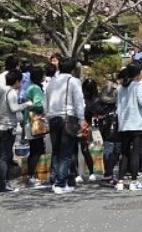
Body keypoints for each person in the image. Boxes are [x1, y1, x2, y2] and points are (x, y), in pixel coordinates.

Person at [44, 58, 86, 194]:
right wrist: (81, 119)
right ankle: (61, 183)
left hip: (53, 118)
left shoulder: (51, 82)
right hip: (68, 118)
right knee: (66, 153)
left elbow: (45, 102)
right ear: (72, 69)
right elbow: (78, 102)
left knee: (56, 151)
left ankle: (54, 179)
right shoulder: (73, 81)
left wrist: (47, 117)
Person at [115, 64, 142, 191]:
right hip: (137, 123)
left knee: (124, 153)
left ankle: (120, 181)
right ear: (137, 73)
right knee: (135, 153)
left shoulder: (120, 88)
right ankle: (133, 182)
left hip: (124, 124)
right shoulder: (137, 86)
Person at [0, 70, 32, 192]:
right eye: (21, 81)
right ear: (16, 81)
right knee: (5, 157)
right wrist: (27, 104)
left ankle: (4, 183)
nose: (21, 84)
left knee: (4, 155)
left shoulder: (1, 91)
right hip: (7, 127)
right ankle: (2, 185)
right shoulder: (11, 92)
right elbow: (14, 108)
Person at [93, 78, 121, 187]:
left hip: (111, 128)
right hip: (109, 128)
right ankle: (108, 175)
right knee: (111, 151)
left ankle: (108, 174)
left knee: (114, 150)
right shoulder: (101, 103)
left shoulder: (115, 100)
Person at [22, 67, 46, 186]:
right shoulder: (36, 88)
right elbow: (38, 105)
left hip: (28, 121)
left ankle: (32, 175)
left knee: (34, 149)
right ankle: (32, 176)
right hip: (35, 123)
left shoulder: (29, 87)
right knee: (37, 150)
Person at [75, 78, 99, 183]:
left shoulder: (80, 97)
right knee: (85, 150)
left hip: (75, 124)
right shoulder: (95, 100)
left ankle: (77, 174)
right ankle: (91, 173)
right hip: (85, 126)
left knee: (74, 151)